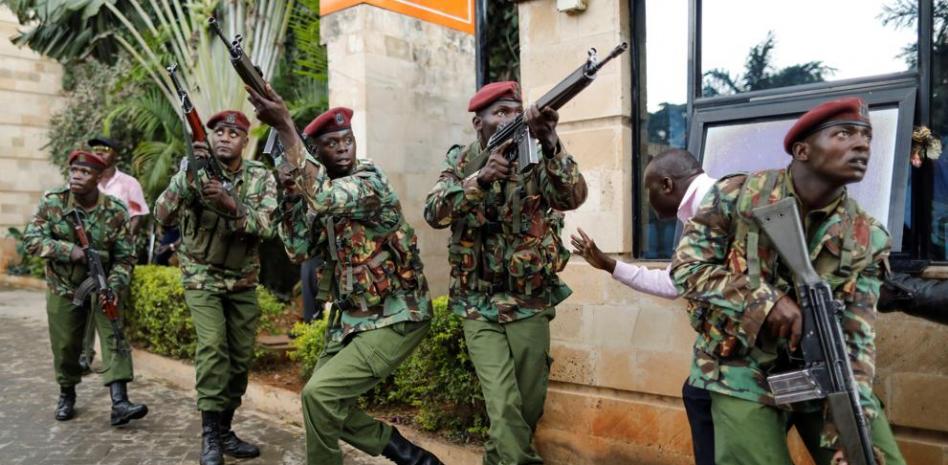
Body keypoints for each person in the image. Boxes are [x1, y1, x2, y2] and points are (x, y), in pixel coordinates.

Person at [671, 97, 906, 465]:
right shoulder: (737, 197)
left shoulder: (868, 237)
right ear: (802, 150)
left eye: (866, 136)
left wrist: (851, 428)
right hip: (740, 367)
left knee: (875, 457)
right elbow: (686, 269)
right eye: (844, 134)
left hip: (825, 371)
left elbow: (858, 341)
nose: (861, 144)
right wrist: (763, 301)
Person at [246, 86, 443, 465]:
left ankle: (406, 455)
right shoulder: (318, 188)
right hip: (353, 319)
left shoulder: (369, 180)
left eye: (347, 139)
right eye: (332, 143)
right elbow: (297, 249)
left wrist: (286, 125)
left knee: (320, 396)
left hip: (398, 315)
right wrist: (289, 193)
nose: (342, 147)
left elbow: (323, 198)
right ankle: (410, 455)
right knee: (317, 401)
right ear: (317, 153)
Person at [424, 81, 587, 465]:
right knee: (503, 405)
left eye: (515, 111)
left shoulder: (536, 158)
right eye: (500, 113)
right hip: (477, 303)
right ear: (478, 123)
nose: (510, 119)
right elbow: (433, 212)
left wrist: (551, 140)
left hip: (529, 300)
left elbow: (573, 197)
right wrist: (479, 180)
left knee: (526, 408)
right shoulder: (462, 161)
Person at [569, 148, 718, 465]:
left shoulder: (715, 206)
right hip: (727, 349)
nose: (648, 204)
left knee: (701, 398)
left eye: (648, 191)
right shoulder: (699, 210)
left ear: (667, 184)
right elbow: (674, 282)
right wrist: (610, 265)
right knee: (699, 395)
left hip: (752, 351)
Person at [154, 110, 277, 465]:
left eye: (232, 133)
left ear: (245, 140)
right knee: (212, 347)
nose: (224, 138)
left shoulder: (259, 178)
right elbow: (161, 218)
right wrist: (185, 176)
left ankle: (224, 430)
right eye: (218, 132)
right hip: (201, 277)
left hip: (242, 280)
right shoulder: (193, 171)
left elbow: (268, 228)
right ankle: (209, 436)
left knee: (239, 360)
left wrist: (232, 205)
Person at [23, 149, 148, 426]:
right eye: (74, 171)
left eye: (85, 172)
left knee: (114, 334)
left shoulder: (115, 210)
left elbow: (125, 257)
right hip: (64, 287)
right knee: (67, 346)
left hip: (103, 285)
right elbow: (31, 240)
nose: (77, 177)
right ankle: (67, 392)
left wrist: (113, 286)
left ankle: (120, 402)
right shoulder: (53, 202)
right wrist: (70, 251)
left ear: (100, 177)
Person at [77, 136, 150, 374]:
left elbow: (138, 214)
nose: (99, 153)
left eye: (105, 149)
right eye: (95, 149)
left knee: (112, 305)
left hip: (117, 256)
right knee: (84, 304)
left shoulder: (128, 183)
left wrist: (123, 239)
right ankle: (84, 354)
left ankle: (116, 360)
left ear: (115, 154)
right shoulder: (85, 181)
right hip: (86, 254)